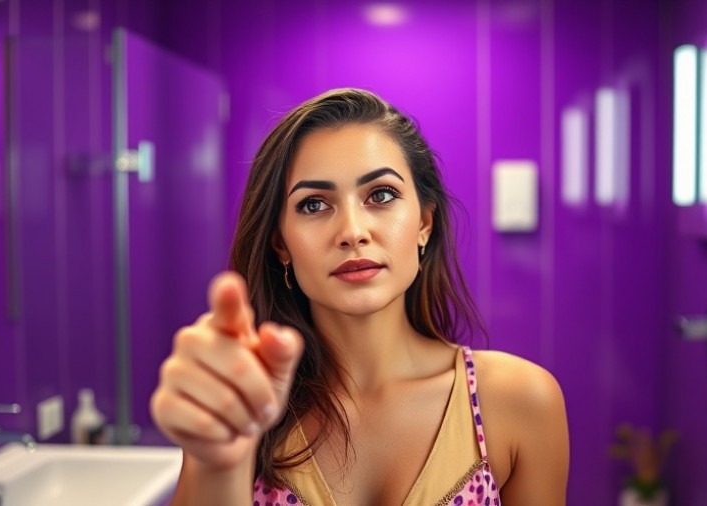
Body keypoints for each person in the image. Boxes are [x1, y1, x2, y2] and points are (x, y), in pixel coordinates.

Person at [150, 88, 569, 505]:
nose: (352, 231)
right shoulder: (243, 405)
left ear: (424, 223)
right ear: (281, 244)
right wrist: (218, 464)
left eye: (381, 195)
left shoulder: (521, 403)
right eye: (314, 205)